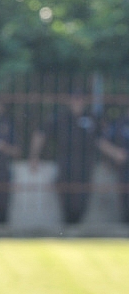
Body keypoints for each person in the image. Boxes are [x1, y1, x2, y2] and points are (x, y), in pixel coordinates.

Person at [29, 91, 101, 225]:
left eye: (80, 99)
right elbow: (41, 133)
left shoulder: (91, 118)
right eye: (75, 99)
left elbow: (101, 140)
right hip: (65, 164)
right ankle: (69, 225)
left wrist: (116, 154)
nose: (77, 102)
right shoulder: (60, 117)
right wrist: (34, 157)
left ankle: (76, 226)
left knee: (82, 201)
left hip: (85, 165)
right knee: (66, 198)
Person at [98, 110, 129, 224]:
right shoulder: (119, 124)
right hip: (124, 171)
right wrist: (115, 153)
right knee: (125, 204)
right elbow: (102, 142)